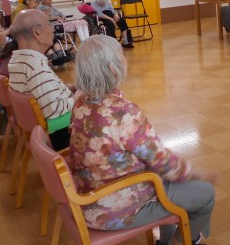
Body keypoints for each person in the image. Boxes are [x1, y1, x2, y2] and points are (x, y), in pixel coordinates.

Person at [70, 35, 216, 244]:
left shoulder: (80, 102)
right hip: (113, 208)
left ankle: (164, 241)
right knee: (205, 193)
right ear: (113, 69)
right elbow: (161, 161)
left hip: (86, 196)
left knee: (171, 184)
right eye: (122, 55)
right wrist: (194, 173)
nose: (126, 59)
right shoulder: (122, 112)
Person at [8, 9, 77, 150]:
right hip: (61, 131)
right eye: (49, 25)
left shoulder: (19, 59)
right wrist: (79, 96)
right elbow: (54, 110)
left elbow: (44, 91)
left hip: (41, 125)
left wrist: (68, 88)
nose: (53, 30)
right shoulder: (34, 66)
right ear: (37, 32)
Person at [11, 0, 70, 64]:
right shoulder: (19, 11)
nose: (36, 5)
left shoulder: (32, 9)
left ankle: (60, 54)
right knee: (41, 38)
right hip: (23, 35)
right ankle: (53, 56)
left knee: (49, 36)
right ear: (28, 0)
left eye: (38, 3)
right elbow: (21, 27)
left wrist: (45, 16)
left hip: (32, 32)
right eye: (35, 2)